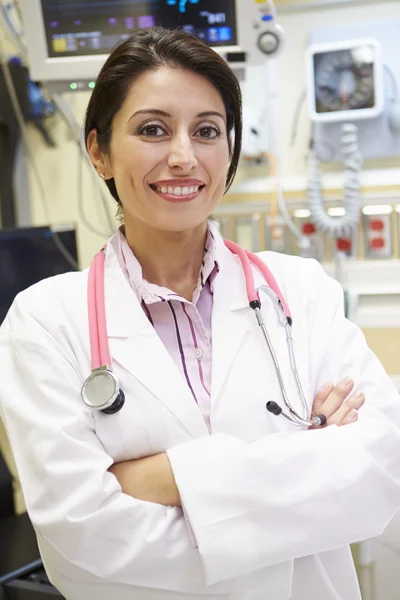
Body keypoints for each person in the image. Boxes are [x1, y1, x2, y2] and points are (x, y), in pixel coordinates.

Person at [0, 26, 400, 600]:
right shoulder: (42, 323)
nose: (184, 156)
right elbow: (81, 543)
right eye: (153, 129)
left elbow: (379, 474)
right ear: (99, 151)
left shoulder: (302, 290)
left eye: (207, 131)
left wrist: (160, 480)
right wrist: (305, 467)